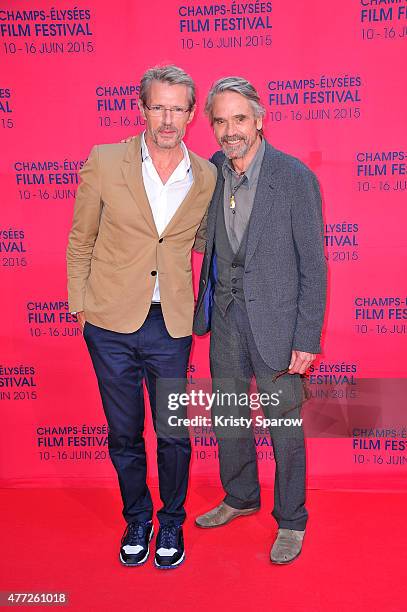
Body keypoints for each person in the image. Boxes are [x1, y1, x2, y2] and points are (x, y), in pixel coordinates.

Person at [66, 65, 216, 569]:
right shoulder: (106, 161)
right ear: (142, 108)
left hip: (170, 324)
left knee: (173, 430)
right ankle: (137, 517)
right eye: (158, 106)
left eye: (178, 108)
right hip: (108, 322)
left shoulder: (207, 174)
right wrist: (80, 307)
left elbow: (199, 240)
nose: (168, 117)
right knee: (124, 430)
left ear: (192, 114)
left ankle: (171, 518)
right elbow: (80, 237)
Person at [193, 77, 327, 564]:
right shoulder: (210, 171)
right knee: (227, 414)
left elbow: (314, 265)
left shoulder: (293, 178)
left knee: (283, 425)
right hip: (226, 318)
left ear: (259, 119)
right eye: (221, 120)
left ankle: (291, 519)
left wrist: (306, 338)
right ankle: (241, 495)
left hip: (277, 324)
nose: (231, 130)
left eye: (239, 119)